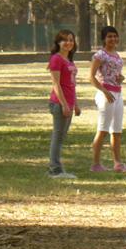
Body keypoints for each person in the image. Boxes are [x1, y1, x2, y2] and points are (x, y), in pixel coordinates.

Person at [89, 26, 126, 173]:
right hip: (106, 95)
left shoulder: (117, 55)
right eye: (109, 37)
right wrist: (104, 91)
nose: (113, 39)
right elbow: (91, 77)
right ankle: (95, 164)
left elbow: (114, 74)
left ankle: (118, 163)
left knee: (117, 131)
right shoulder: (100, 55)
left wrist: (120, 79)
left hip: (118, 93)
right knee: (103, 129)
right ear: (104, 39)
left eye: (115, 36)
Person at [47, 29, 80, 179]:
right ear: (58, 42)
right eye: (65, 40)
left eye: (71, 40)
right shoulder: (56, 59)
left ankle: (57, 167)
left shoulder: (69, 60)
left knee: (61, 137)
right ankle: (55, 169)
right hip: (59, 103)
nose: (68, 43)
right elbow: (56, 84)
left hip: (69, 103)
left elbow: (72, 85)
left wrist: (76, 104)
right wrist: (64, 105)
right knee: (58, 136)